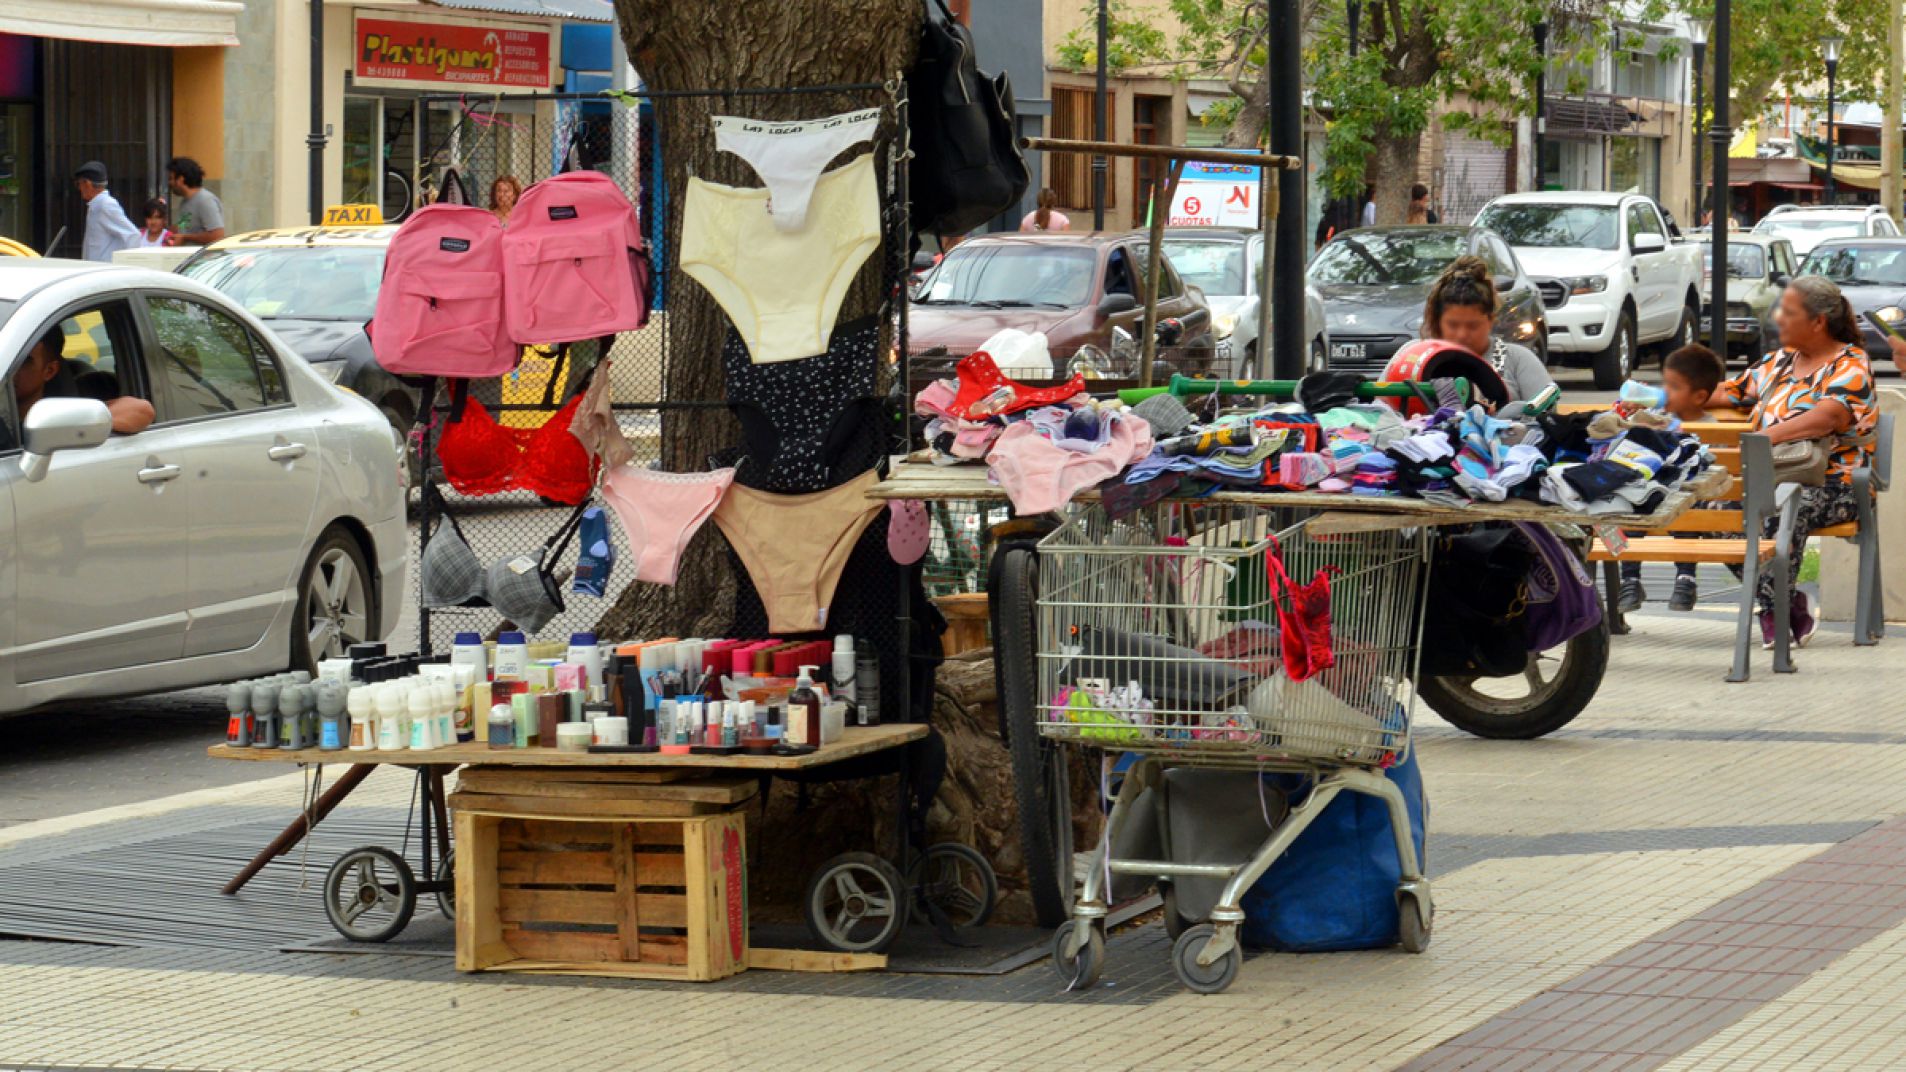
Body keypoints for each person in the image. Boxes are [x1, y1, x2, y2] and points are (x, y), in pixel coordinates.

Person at [1720, 274, 1877, 648]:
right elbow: (1733, 392)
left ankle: (1775, 614)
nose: (1778, 318)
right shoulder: (1780, 362)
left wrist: (1765, 437)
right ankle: (1789, 605)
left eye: (1787, 312)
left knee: (1783, 508)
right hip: (1772, 478)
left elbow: (1829, 416)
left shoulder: (1851, 364)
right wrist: (1657, 402)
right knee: (1717, 512)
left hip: (1837, 484)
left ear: (1818, 321)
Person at [1617, 343, 1727, 613]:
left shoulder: (1711, 429)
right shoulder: (1655, 419)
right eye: (1664, 384)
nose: (1665, 392)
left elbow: (1714, 475)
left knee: (1687, 503)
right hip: (1651, 496)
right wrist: (1632, 416)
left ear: (1700, 396)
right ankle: (1630, 578)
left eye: (1674, 387)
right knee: (1633, 501)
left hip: (1688, 501)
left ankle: (1685, 577)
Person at [1422, 256, 1556, 402]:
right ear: (1438, 321)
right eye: (1453, 325)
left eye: (1473, 326)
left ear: (1491, 320)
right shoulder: (1419, 361)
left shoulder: (1517, 359)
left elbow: (1547, 413)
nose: (1462, 334)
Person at [12, 327, 155, 436]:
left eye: (23, 361)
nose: (10, 369)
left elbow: (142, 409)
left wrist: (71, 426)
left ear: (49, 371)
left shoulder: (65, 413)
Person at [72, 162, 141, 262]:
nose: (79, 189)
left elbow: (132, 235)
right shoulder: (95, 205)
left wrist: (125, 265)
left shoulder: (106, 204)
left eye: (79, 184)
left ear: (87, 184)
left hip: (104, 269)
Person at [162, 157, 225, 246]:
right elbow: (182, 227)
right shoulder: (185, 202)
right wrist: (162, 226)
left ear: (180, 179)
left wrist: (185, 238)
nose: (169, 183)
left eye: (171, 178)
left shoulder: (205, 200)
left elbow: (217, 235)